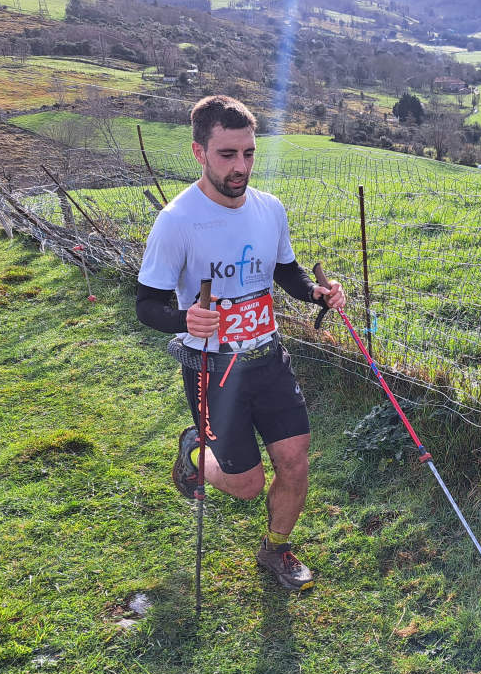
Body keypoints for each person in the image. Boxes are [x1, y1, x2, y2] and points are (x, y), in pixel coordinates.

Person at [135, 95, 346, 591]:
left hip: (270, 358)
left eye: (248, 153)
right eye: (227, 154)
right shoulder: (177, 222)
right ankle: (194, 454)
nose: (240, 166)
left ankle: (276, 550)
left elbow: (283, 271)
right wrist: (185, 318)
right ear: (199, 153)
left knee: (294, 463)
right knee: (248, 486)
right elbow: (147, 305)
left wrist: (314, 293)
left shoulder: (269, 209)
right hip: (215, 371)